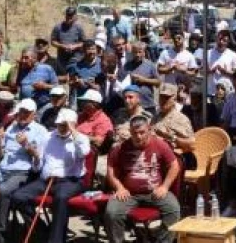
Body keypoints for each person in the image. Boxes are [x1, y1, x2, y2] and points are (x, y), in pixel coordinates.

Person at [11, 108, 91, 243]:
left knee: (60, 197)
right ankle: (42, 231)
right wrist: (34, 155)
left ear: (73, 124)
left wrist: (74, 132)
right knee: (18, 197)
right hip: (46, 179)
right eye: (59, 124)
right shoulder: (48, 136)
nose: (61, 127)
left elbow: (83, 153)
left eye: (65, 125)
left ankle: (56, 240)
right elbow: (38, 165)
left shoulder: (81, 138)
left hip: (70, 181)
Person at [103, 113, 182, 243]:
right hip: (129, 193)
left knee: (173, 210)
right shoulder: (120, 148)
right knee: (112, 213)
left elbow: (174, 166)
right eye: (135, 133)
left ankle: (161, 240)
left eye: (142, 132)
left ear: (149, 130)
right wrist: (119, 187)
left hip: (155, 191)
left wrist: (165, 186)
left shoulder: (160, 144)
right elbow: (111, 171)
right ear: (130, 132)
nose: (138, 136)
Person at [0, 98, 47, 231]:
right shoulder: (11, 128)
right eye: (21, 112)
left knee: (4, 190)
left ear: (34, 114)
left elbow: (39, 161)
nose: (22, 115)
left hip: (23, 172)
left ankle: (0, 230)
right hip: (2, 170)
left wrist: (26, 145)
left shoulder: (40, 131)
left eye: (26, 112)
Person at [152, 83, 196, 169]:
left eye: (167, 98)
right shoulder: (156, 117)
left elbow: (191, 145)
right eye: (161, 97)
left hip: (171, 161)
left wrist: (172, 138)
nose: (163, 100)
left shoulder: (181, 119)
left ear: (174, 99)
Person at [119, 42, 161, 113]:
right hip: (132, 105)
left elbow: (158, 82)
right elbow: (120, 83)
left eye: (140, 52)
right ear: (132, 52)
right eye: (135, 52)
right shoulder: (127, 66)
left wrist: (144, 80)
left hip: (147, 104)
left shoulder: (150, 65)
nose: (137, 55)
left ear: (144, 52)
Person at [76, 89, 115, 155]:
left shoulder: (103, 120)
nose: (82, 104)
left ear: (94, 104)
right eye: (83, 101)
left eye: (85, 102)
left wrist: (78, 136)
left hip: (89, 153)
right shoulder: (81, 116)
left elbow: (99, 142)